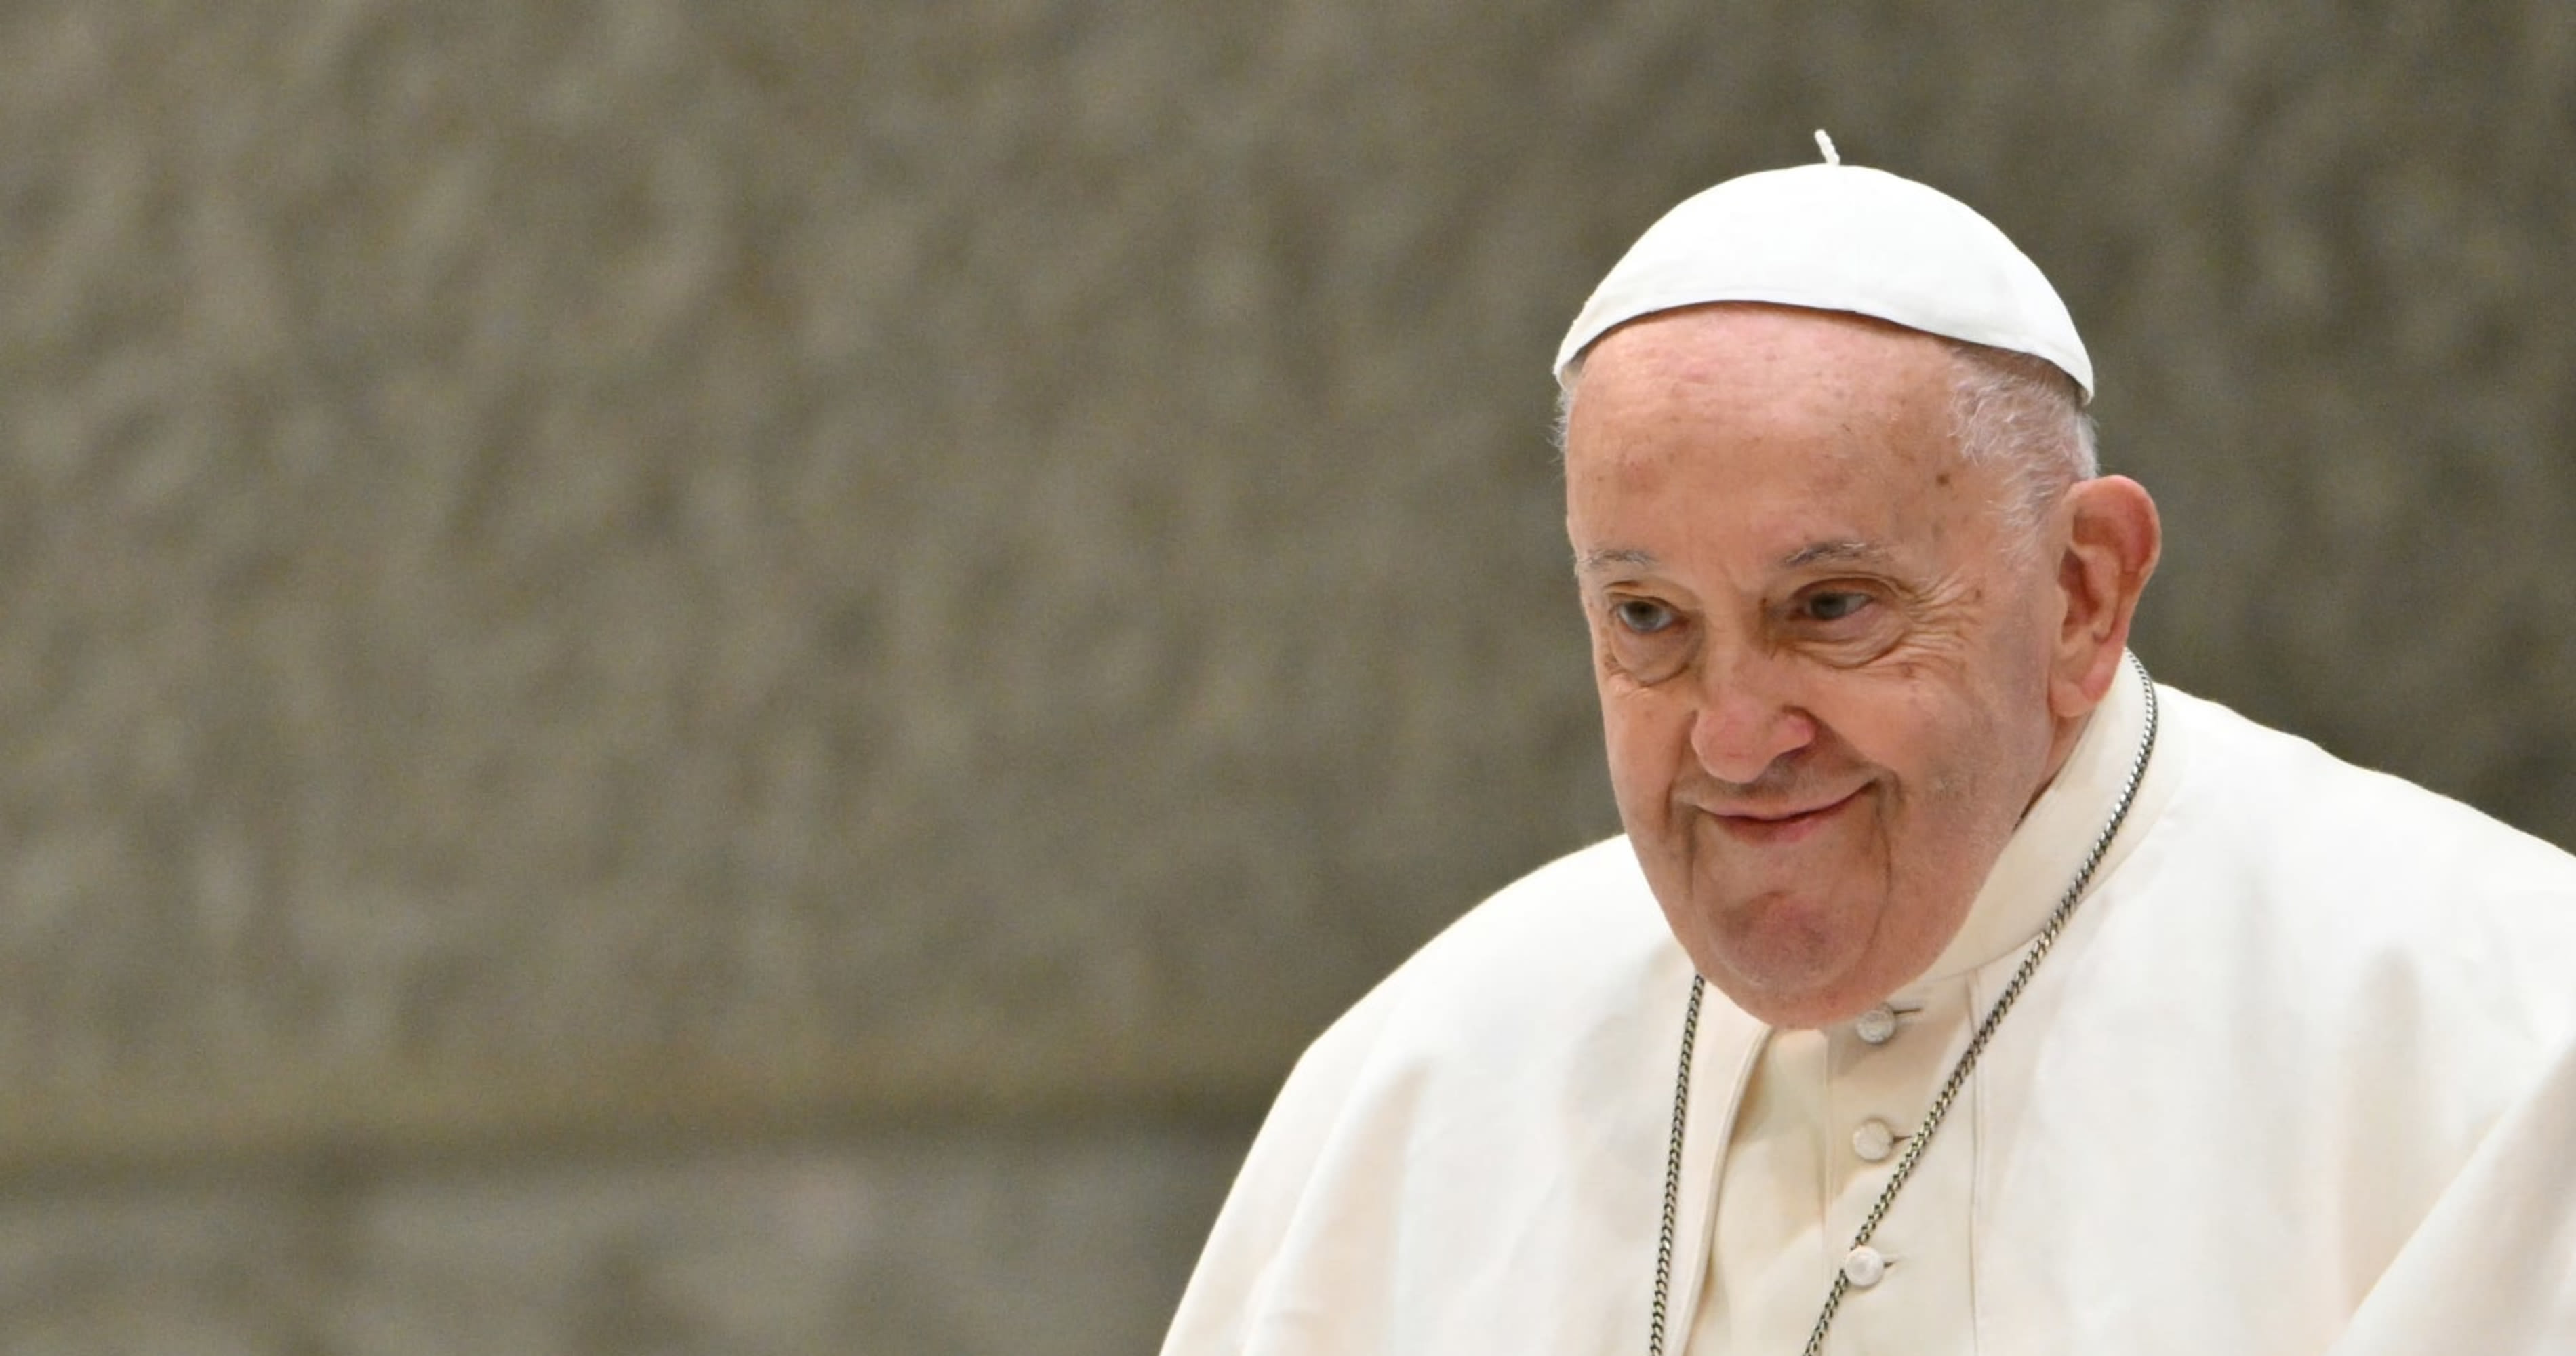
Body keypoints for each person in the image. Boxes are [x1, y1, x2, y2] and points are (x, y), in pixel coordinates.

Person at [1159, 142, 2576, 1355]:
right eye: (1648, 618)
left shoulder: (2497, 1034)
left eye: (1829, 608)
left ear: (2083, 591)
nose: (1732, 734)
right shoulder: (1424, 1073)